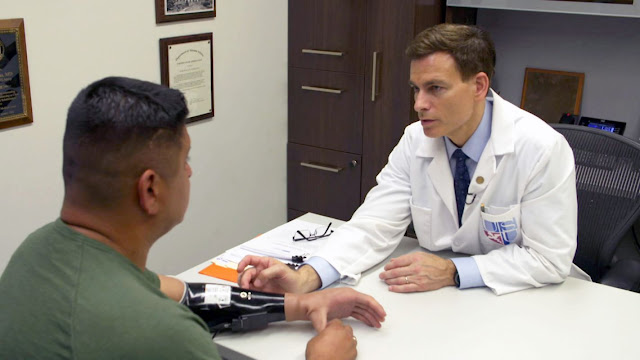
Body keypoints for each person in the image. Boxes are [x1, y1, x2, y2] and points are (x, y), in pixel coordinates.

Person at [0, 77, 385, 360]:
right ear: (150, 190)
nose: (189, 173)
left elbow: (184, 294)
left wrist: (301, 305)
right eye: (185, 160)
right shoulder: (163, 336)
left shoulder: (36, 254)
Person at [238, 23, 590, 296]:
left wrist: (453, 272)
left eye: (435, 88)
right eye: (416, 89)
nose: (420, 103)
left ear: (479, 86)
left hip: (523, 301)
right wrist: (307, 277)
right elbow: (373, 225)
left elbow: (549, 259)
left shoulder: (541, 148)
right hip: (442, 305)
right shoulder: (415, 140)